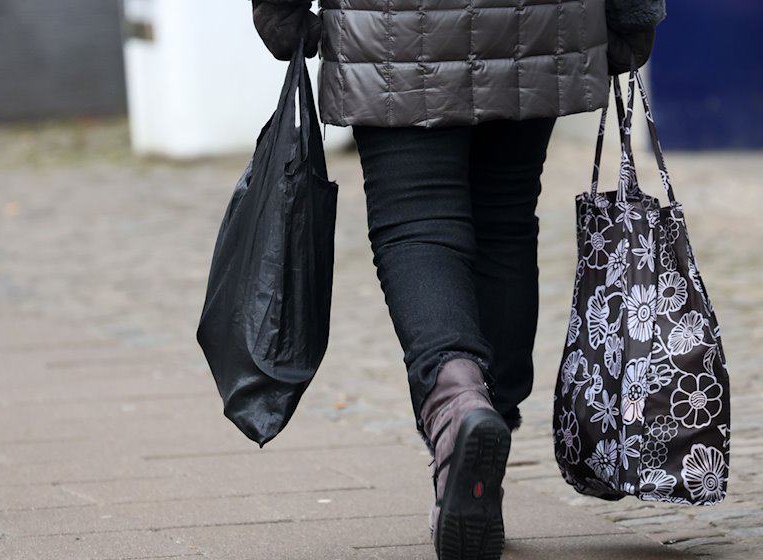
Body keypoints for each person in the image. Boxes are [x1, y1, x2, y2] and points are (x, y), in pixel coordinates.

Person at [250, 0, 664, 557]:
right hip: (535, 18)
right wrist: (633, 15)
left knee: (415, 223)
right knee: (506, 220)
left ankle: (459, 407)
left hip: (392, 27)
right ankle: (485, 437)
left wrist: (280, 13)